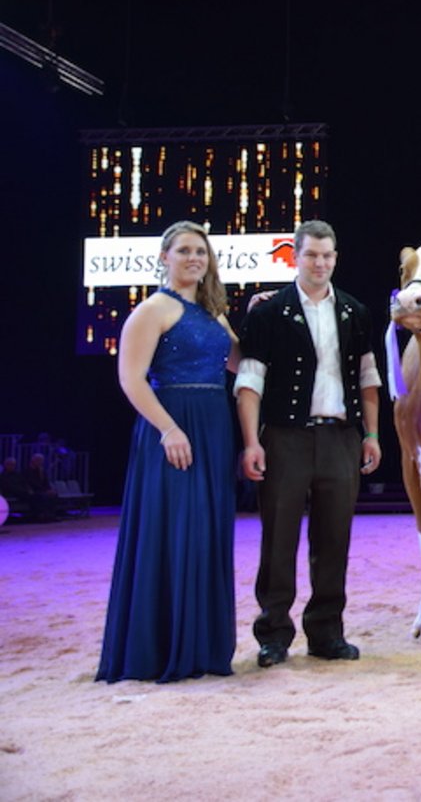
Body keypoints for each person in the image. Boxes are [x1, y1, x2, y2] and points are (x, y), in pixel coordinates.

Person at [97, 221, 241, 683]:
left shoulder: (213, 311)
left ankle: (201, 647)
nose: (194, 258)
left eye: (201, 251)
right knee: (176, 531)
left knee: (206, 531)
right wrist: (168, 429)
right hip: (173, 427)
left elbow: (237, 361)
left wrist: (261, 313)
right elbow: (130, 379)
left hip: (214, 425)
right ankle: (160, 648)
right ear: (165, 257)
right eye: (184, 251)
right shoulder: (152, 309)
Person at [236, 219, 383, 669]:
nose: (320, 263)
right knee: (278, 538)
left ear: (336, 258)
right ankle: (274, 634)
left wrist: (372, 435)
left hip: (340, 437)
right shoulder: (268, 313)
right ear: (294, 257)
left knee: (333, 539)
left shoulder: (355, 312)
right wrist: (251, 442)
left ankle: (326, 633)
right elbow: (249, 381)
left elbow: (368, 380)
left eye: (327, 255)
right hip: (284, 438)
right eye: (311, 255)